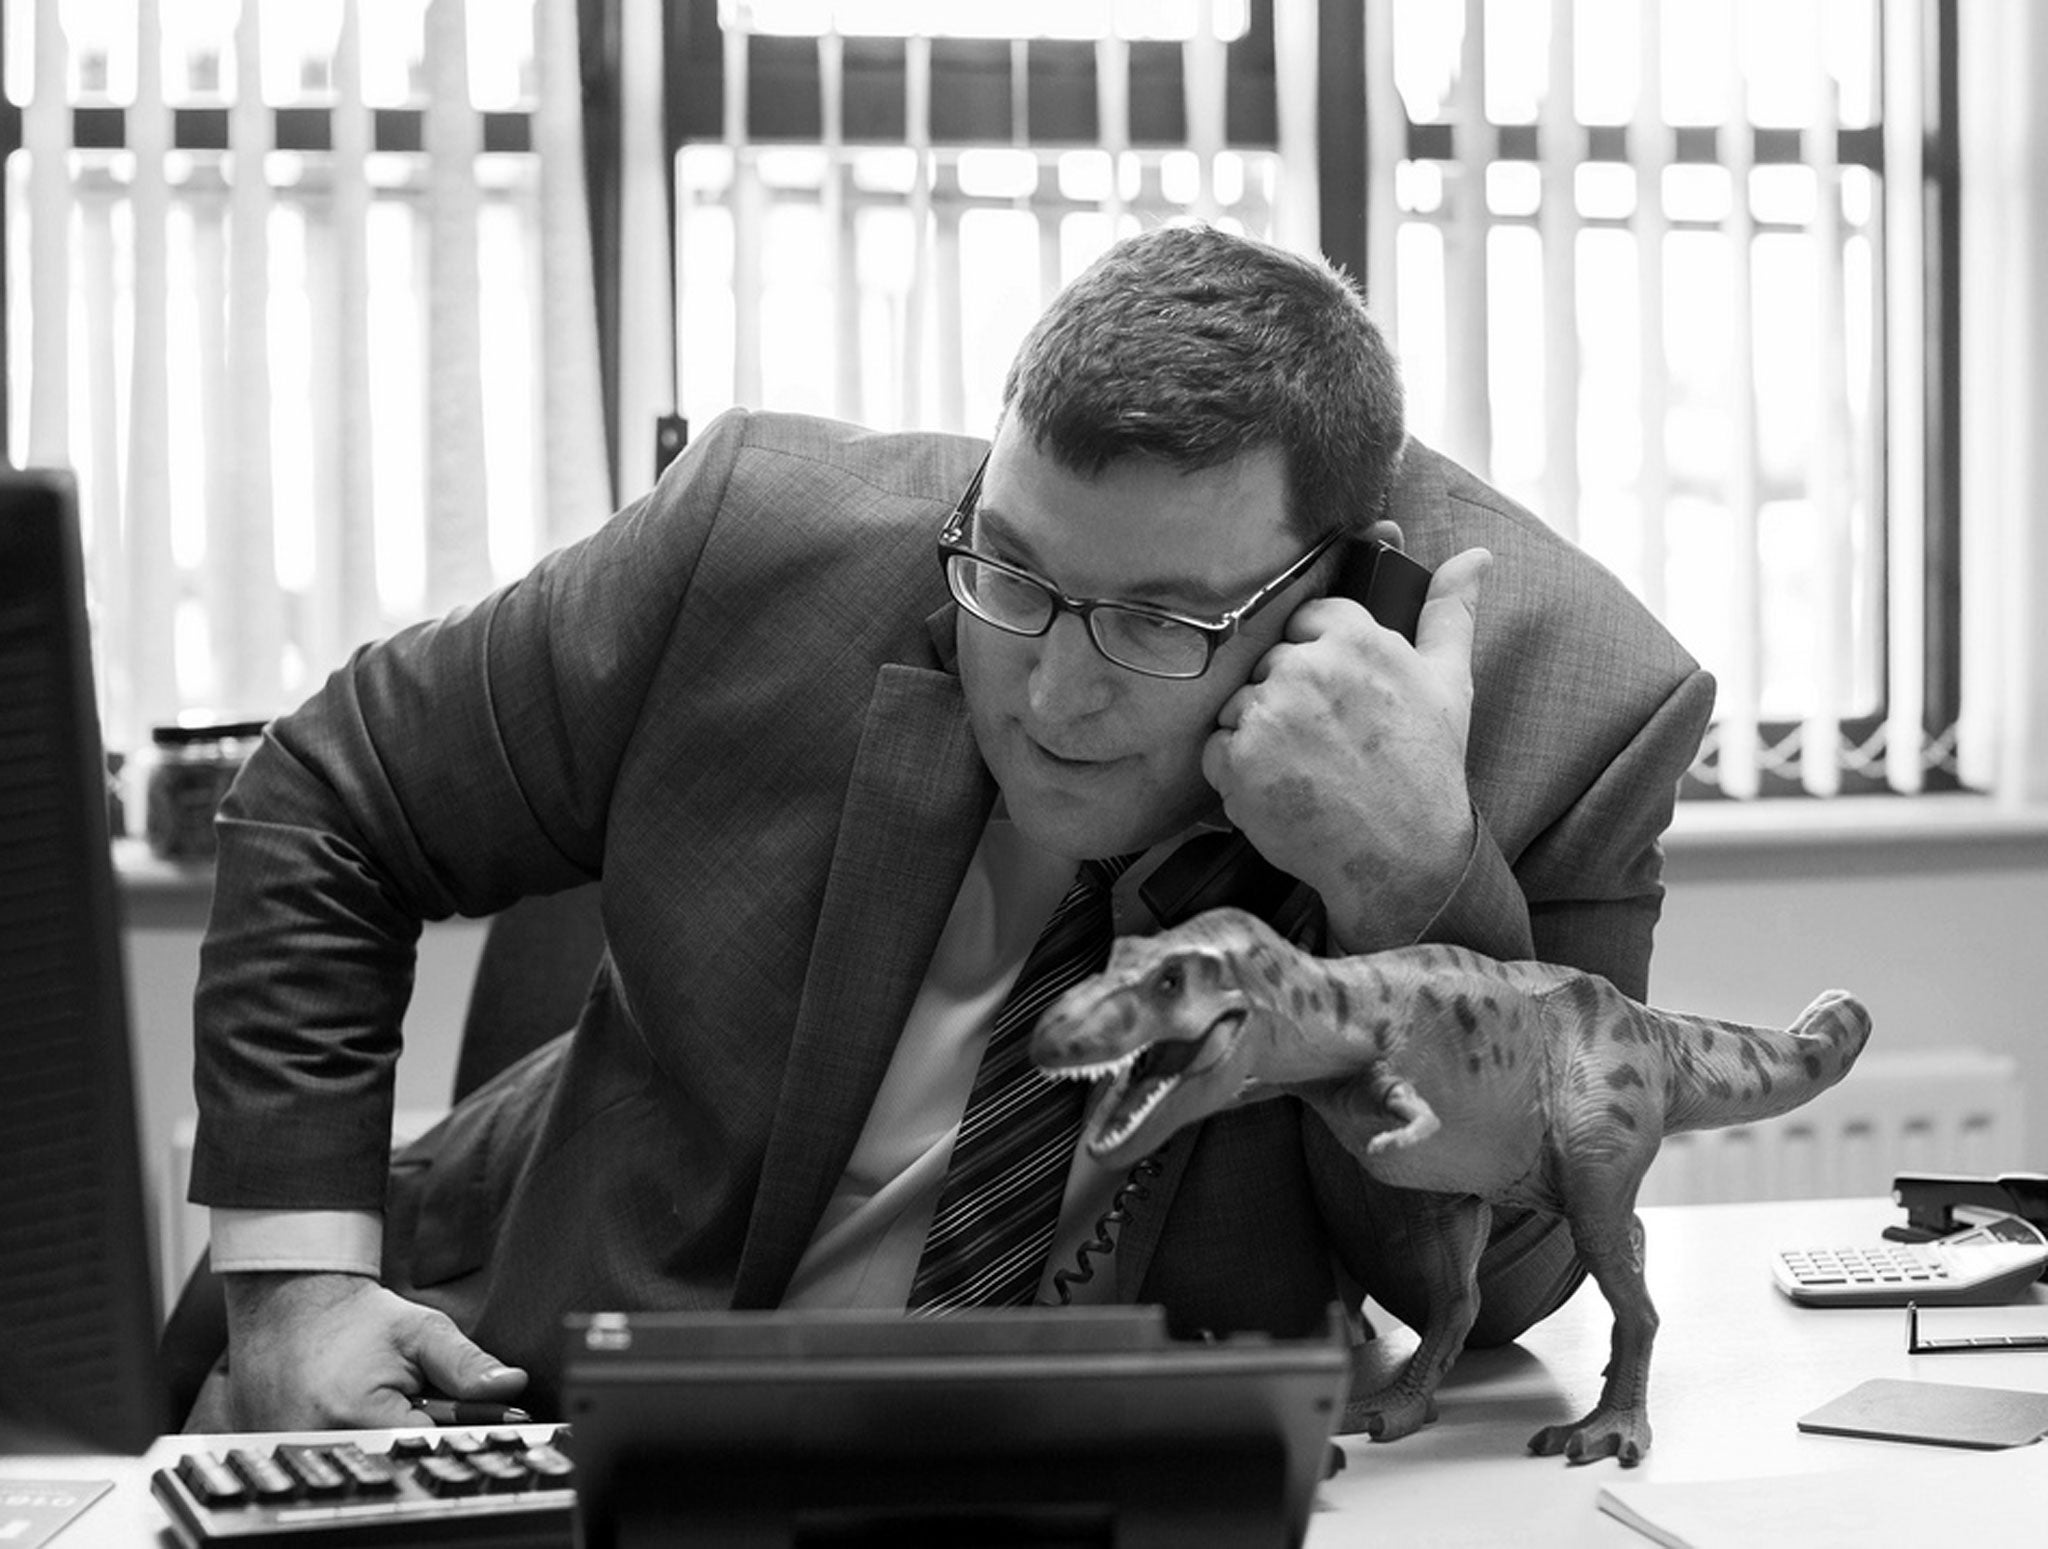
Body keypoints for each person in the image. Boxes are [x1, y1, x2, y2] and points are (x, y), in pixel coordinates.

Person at [186, 222, 1714, 1431]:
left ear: (1342, 594)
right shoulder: (761, 541)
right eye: (1014, 572)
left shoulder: (1568, 716)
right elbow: (335, 793)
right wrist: (297, 1292)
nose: (1049, 692)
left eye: (1156, 621)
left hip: (1112, 1478)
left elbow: (1504, 1293)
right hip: (579, 1411)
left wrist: (1412, 874)